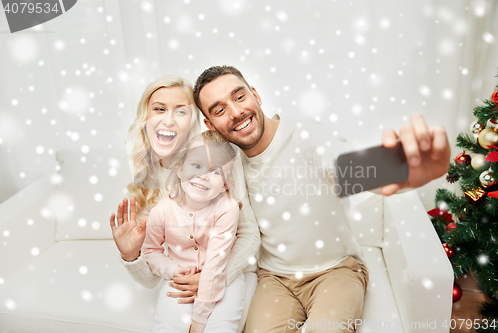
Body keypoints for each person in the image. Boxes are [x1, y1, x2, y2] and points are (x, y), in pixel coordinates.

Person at [192, 65, 451, 333]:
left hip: (336, 271)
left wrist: (397, 169)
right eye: (220, 110)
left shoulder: (305, 137)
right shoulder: (228, 166)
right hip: (274, 279)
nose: (236, 113)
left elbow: (340, 163)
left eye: (239, 97)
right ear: (211, 126)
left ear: (255, 94)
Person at [109, 75, 260, 331]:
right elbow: (151, 276)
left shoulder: (219, 157)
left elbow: (249, 236)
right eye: (159, 109)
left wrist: (212, 278)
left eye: (180, 111)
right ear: (146, 117)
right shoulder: (142, 179)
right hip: (183, 277)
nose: (168, 120)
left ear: (193, 120)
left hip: (229, 273)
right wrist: (130, 255)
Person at [143, 131, 243, 333]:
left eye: (216, 172)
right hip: (180, 279)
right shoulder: (162, 211)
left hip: (221, 275)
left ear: (225, 185)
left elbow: (215, 267)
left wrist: (198, 324)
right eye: (196, 166)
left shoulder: (227, 208)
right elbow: (150, 251)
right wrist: (172, 270)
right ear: (180, 169)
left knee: (222, 328)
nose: (203, 176)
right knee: (166, 327)